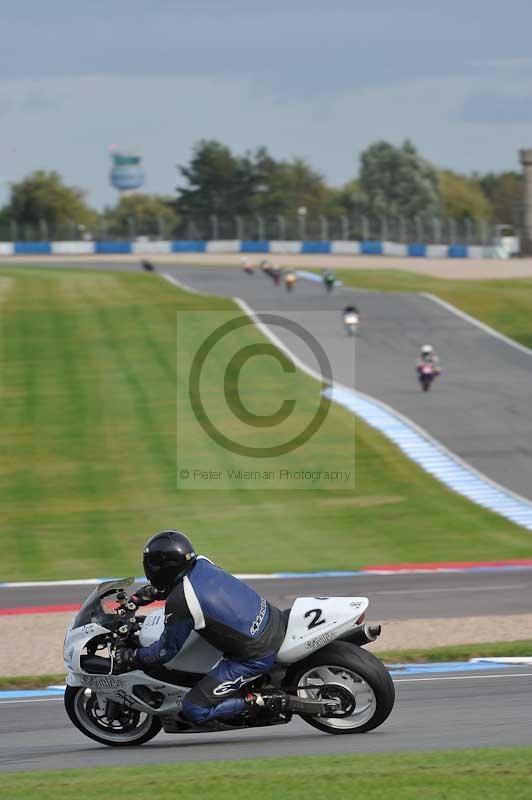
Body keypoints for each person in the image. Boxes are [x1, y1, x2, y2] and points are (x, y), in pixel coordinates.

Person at [114, 530, 286, 725]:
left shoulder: (180, 602)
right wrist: (150, 594)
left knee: (194, 709)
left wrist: (133, 656)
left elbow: (164, 651)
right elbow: (189, 586)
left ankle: (259, 702)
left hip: (255, 655)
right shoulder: (202, 563)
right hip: (272, 618)